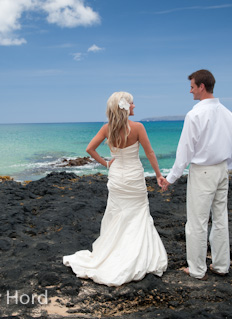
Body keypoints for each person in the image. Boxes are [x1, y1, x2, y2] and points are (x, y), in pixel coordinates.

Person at [63, 91, 168, 286]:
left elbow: (89, 149)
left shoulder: (107, 129)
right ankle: (134, 255)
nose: (135, 106)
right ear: (125, 106)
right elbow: (150, 152)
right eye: (132, 103)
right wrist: (159, 175)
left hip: (117, 177)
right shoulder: (138, 128)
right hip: (134, 178)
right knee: (137, 214)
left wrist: (106, 163)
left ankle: (114, 252)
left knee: (116, 214)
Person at [159, 70, 232, 280]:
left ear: (202, 86)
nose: (190, 90)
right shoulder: (229, 114)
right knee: (221, 219)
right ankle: (221, 266)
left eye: (192, 86)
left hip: (203, 172)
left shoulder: (195, 114)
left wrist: (171, 178)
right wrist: (226, 168)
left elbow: (185, 151)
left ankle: (197, 269)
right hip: (222, 170)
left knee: (196, 223)